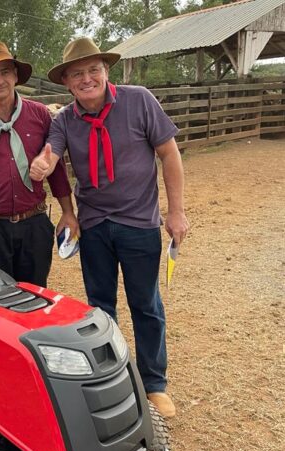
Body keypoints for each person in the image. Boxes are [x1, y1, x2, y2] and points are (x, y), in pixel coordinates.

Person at [31, 37, 190, 419]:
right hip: (95, 225)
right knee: (100, 308)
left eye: (93, 70)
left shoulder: (139, 100)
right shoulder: (65, 119)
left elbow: (168, 152)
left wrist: (177, 212)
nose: (87, 79)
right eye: (77, 74)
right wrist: (43, 162)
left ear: (106, 71)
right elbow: (51, 152)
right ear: (67, 83)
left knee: (146, 304)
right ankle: (114, 377)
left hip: (139, 223)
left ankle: (154, 383)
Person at [0, 41, 77, 287]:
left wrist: (68, 212)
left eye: (5, 72)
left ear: (16, 76)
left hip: (34, 222)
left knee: (36, 293)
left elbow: (57, 172)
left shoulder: (39, 115)